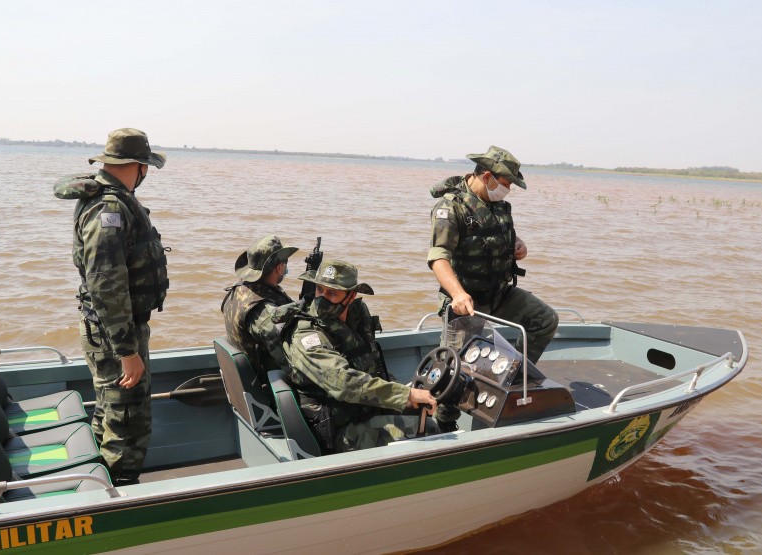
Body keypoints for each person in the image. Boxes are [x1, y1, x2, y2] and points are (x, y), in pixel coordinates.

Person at [53, 128, 169, 485]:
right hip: (115, 334)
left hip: (113, 329)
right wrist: (127, 351)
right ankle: (117, 499)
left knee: (110, 411)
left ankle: (100, 486)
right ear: (139, 166)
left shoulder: (109, 199)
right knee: (128, 425)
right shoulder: (110, 207)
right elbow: (106, 283)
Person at [283, 260, 438, 453]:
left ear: (351, 296)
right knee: (430, 429)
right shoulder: (307, 335)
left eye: (332, 293)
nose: (322, 298)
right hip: (338, 431)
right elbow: (343, 382)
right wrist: (404, 394)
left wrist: (408, 393)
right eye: (320, 290)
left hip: (361, 411)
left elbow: (374, 367)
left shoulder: (355, 321)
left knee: (429, 411)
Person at [428, 145, 559, 362]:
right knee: (455, 367)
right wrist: (458, 294)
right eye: (506, 184)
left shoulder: (496, 205)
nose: (507, 189)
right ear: (487, 176)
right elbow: (438, 257)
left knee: (545, 319)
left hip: (499, 294)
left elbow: (495, 233)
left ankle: (517, 374)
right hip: (466, 303)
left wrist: (518, 243)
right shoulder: (451, 207)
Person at [222, 235, 301, 379]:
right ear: (279, 268)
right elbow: (292, 368)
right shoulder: (263, 313)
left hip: (247, 375)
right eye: (285, 262)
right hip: (268, 382)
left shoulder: (238, 290)